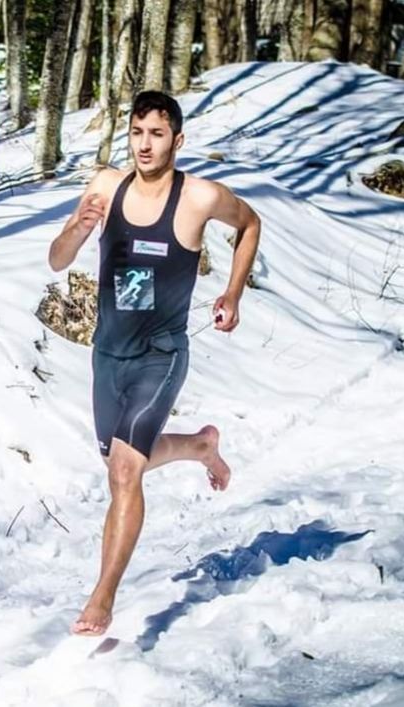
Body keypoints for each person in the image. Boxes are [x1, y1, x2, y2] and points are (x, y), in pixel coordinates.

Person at [47, 90, 262, 637]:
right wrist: (78, 229)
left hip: (161, 355)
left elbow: (251, 224)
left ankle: (101, 597)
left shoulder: (200, 198)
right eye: (137, 133)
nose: (145, 144)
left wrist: (233, 294)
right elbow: (58, 259)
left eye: (157, 134)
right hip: (108, 353)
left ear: (178, 140)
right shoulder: (104, 186)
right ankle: (198, 446)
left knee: (125, 470)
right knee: (122, 459)